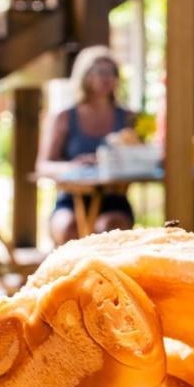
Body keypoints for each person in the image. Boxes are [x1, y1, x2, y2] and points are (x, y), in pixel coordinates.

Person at [37, 46, 136, 245]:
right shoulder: (64, 117)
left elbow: (141, 156)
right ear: (84, 76)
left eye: (111, 72)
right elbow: (42, 166)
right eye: (99, 72)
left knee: (108, 229)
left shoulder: (128, 118)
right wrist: (74, 166)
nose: (106, 78)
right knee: (68, 228)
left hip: (114, 198)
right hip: (71, 199)